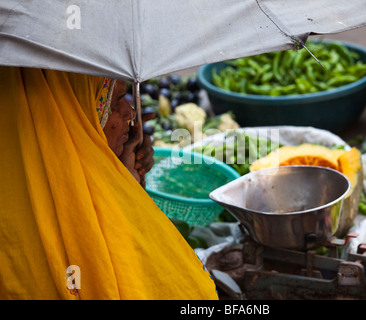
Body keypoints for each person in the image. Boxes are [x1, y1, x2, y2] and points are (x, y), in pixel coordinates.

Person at [0, 67, 218, 300]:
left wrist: (125, 178)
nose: (130, 112)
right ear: (74, 114)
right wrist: (125, 188)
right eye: (114, 102)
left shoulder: (57, 168)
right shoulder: (66, 203)